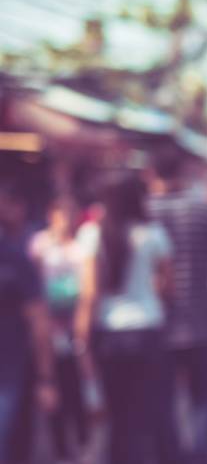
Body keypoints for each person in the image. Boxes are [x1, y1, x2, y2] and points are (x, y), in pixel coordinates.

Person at [74, 173, 172, 464]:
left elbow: (89, 293)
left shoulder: (92, 234)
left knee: (117, 417)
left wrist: (81, 336)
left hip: (110, 333)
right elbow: (167, 284)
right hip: (147, 329)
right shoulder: (152, 233)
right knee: (144, 415)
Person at [146, 145, 207, 464]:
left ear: (151, 173)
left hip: (157, 325)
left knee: (163, 401)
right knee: (203, 400)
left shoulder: (145, 210)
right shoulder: (204, 210)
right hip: (201, 320)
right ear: (183, 172)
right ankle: (200, 457)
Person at [28, 199, 91, 463]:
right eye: (60, 214)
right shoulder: (39, 245)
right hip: (46, 328)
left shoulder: (81, 248)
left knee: (74, 386)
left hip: (73, 327)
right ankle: (60, 445)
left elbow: (89, 288)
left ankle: (80, 437)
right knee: (52, 385)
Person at [0, 183, 57, 464]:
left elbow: (39, 321)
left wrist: (45, 378)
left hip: (12, 372)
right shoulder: (17, 259)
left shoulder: (18, 259)